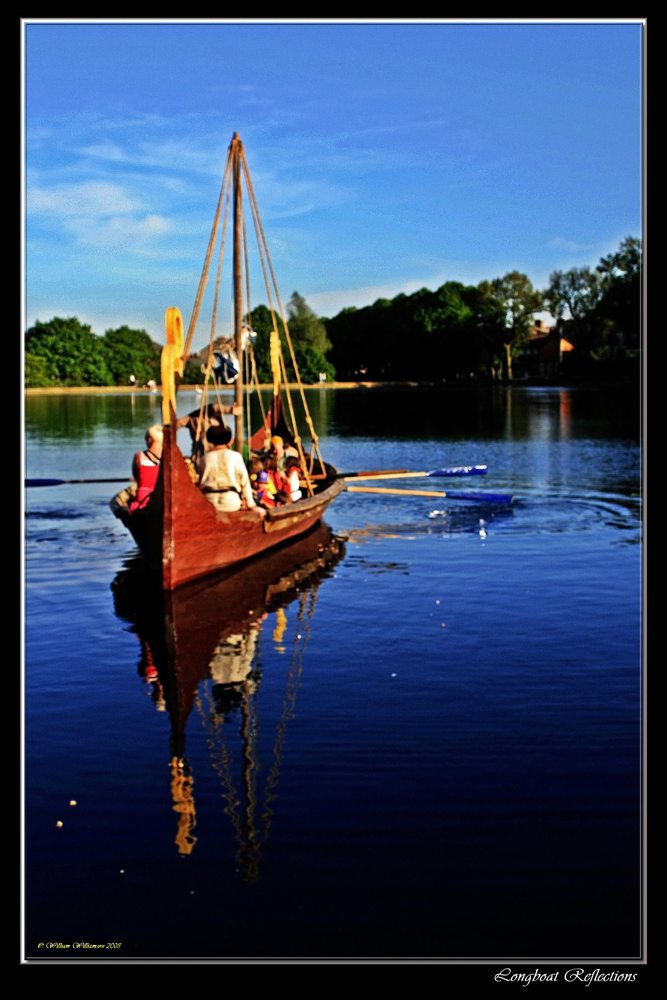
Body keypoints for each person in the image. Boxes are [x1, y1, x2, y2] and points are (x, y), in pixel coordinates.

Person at [198, 424, 264, 515]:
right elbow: (244, 482)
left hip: (209, 502)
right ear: (229, 441)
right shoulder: (235, 456)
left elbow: (200, 483)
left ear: (210, 440)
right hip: (230, 502)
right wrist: (252, 505)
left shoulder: (203, 459)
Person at [177, 401, 242, 454]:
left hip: (204, 451)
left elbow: (177, 424)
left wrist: (231, 410)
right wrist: (230, 410)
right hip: (206, 451)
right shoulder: (192, 418)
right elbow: (216, 408)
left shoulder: (191, 418)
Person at [129, 425, 163, 511]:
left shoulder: (139, 456)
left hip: (143, 498)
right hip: (159, 498)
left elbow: (137, 477)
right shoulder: (166, 458)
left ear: (149, 440)